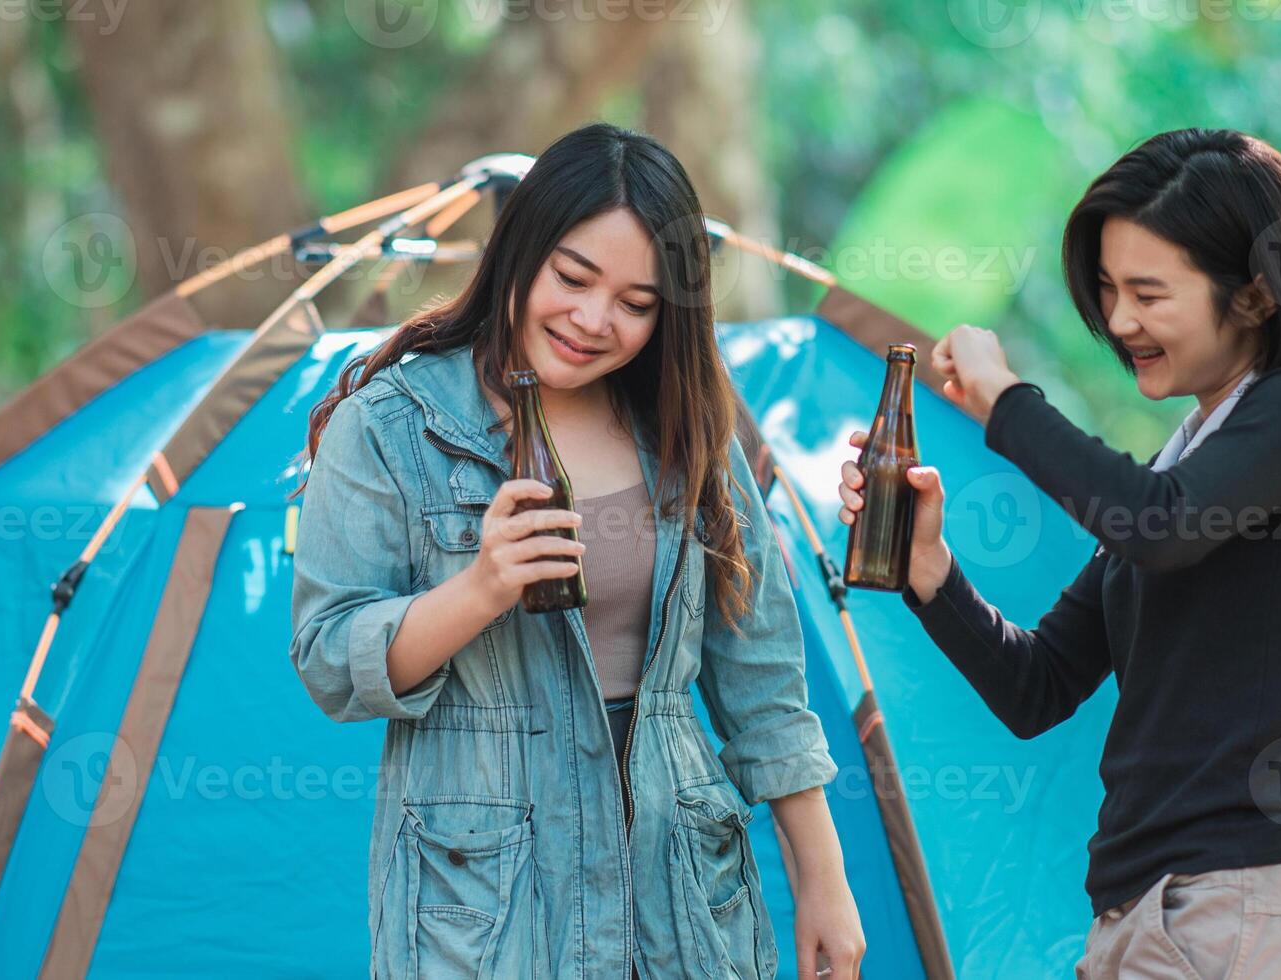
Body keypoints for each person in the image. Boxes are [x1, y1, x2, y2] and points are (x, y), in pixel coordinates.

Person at [291, 123, 867, 979]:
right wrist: (480, 589)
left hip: (680, 893)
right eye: (572, 278)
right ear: (520, 251)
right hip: (488, 906)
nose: (594, 321)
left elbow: (761, 672)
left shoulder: (687, 426)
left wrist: (825, 882)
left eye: (637, 304)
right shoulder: (389, 422)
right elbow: (330, 659)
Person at [837, 129, 1281, 978]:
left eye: (1149, 294)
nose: (1120, 322)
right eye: (1110, 290)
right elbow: (1037, 685)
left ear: (1257, 295)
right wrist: (929, 571)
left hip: (1239, 911)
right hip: (1144, 915)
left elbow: (1156, 526)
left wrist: (1007, 402)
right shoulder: (1189, 459)